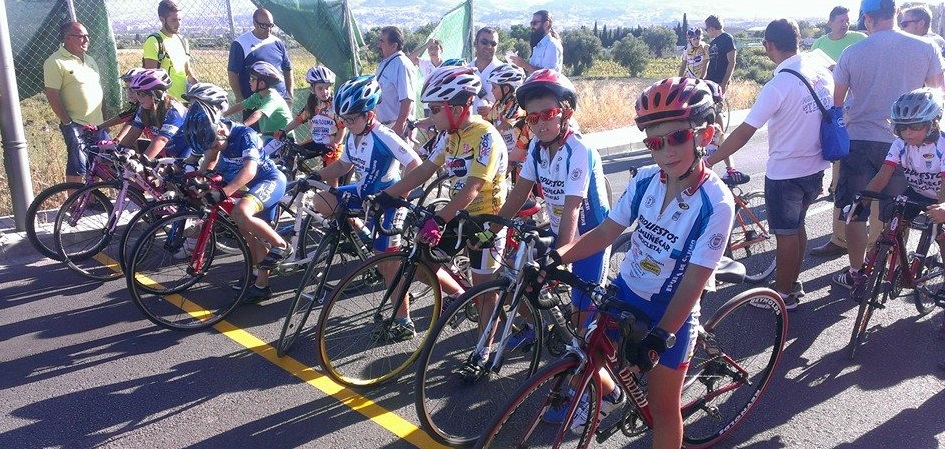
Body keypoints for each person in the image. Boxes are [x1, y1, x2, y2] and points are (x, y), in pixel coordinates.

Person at [535, 76, 734, 446]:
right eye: (655, 142)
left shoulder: (717, 203)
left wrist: (661, 335)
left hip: (669, 311)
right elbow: (606, 233)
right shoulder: (645, 180)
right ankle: (611, 398)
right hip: (625, 291)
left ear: (704, 136)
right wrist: (556, 258)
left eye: (676, 138)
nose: (666, 151)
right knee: (586, 353)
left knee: (662, 408)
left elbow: (694, 281)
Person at [375, 66, 507, 353]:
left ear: (459, 108)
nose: (431, 116)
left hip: (486, 221)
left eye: (435, 109)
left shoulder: (486, 136)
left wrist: (438, 218)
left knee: (484, 291)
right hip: (457, 214)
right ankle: (460, 294)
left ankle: (483, 352)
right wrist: (385, 196)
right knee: (422, 265)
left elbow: (473, 187)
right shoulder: (450, 137)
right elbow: (424, 171)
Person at [707, 19, 833, 310]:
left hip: (786, 172)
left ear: (768, 46)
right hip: (816, 167)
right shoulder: (819, 71)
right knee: (797, 227)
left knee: (786, 235)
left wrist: (711, 159)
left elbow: (744, 131)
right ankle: (792, 283)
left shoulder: (779, 84)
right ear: (798, 40)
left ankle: (785, 294)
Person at [489, 69, 609, 354]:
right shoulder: (536, 148)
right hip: (558, 230)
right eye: (532, 117)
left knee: (583, 321)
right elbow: (519, 192)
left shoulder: (579, 149)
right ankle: (538, 327)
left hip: (590, 237)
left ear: (565, 112)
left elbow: (572, 208)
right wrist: (490, 230)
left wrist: (559, 258)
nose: (540, 123)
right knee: (518, 274)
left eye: (547, 114)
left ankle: (591, 372)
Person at [831, 0, 944, 290]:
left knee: (855, 209)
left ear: (867, 18)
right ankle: (893, 268)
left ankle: (857, 272)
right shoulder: (925, 47)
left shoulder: (852, 51)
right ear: (895, 14)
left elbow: (838, 102)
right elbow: (935, 95)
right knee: (897, 211)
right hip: (906, 141)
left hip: (860, 139)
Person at [309, 75, 422, 338]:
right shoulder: (352, 135)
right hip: (363, 193)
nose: (346, 124)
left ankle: (404, 321)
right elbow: (342, 166)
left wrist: (399, 194)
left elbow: (415, 164)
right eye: (344, 119)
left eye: (351, 119)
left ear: (369, 114)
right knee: (322, 199)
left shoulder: (384, 136)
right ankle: (363, 235)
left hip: (389, 199)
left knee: (387, 263)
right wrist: (314, 178)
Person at [181, 83, 290, 303]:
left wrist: (224, 193)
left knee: (241, 212)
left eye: (214, 144)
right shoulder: (214, 135)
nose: (213, 147)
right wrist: (197, 181)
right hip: (249, 187)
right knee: (247, 234)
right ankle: (261, 285)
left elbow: (250, 171)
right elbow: (207, 163)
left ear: (221, 130)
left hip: (268, 180)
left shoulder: (244, 134)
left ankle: (282, 246)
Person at [809, 5, 868, 258]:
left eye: (847, 20)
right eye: (841, 20)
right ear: (830, 22)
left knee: (867, 189)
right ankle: (840, 239)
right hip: (835, 116)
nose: (845, 24)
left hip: (858, 114)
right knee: (840, 180)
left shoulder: (859, 40)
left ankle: (872, 250)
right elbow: (812, 76)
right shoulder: (819, 44)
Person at [43, 21, 105, 187]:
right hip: (76, 123)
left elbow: (98, 89)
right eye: (81, 36)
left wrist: (104, 120)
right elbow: (52, 95)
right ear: (67, 38)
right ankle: (74, 204)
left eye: (87, 36)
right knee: (78, 164)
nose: (86, 40)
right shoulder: (55, 62)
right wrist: (68, 122)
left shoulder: (90, 60)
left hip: (98, 123)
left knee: (99, 161)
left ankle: (92, 200)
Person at [274, 66, 345, 182]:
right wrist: (284, 130)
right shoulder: (311, 106)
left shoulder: (334, 106)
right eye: (320, 88)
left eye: (327, 88)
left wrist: (335, 143)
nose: (325, 92)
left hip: (332, 143)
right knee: (292, 151)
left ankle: (332, 193)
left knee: (332, 177)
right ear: (312, 89)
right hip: (316, 142)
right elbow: (297, 120)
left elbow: (342, 129)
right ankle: (292, 183)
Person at [227, 8, 294, 119]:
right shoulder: (240, 43)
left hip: (278, 102)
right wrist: (239, 96)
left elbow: (287, 69)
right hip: (254, 103)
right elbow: (232, 72)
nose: (268, 29)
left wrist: (289, 94)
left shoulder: (277, 42)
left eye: (271, 26)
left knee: (281, 134)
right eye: (264, 25)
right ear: (255, 23)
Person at [118, 69, 190, 159]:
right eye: (136, 93)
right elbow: (133, 132)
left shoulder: (174, 111)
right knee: (127, 151)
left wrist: (142, 162)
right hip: (167, 149)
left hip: (186, 150)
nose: (138, 98)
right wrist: (118, 150)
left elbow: (161, 140)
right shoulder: (144, 108)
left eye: (142, 94)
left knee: (177, 170)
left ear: (156, 94)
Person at [142, 0, 198, 101]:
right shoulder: (154, 41)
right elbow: (150, 77)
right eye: (174, 20)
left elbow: (187, 71)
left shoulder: (182, 40)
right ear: (162, 19)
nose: (178, 24)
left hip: (184, 102)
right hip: (166, 105)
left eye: (180, 19)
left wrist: (199, 89)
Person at [222, 61, 293, 140]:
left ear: (262, 83)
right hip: (271, 139)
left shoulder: (272, 98)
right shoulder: (258, 95)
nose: (249, 81)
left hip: (285, 139)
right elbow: (241, 105)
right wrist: (221, 115)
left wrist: (241, 126)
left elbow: (257, 114)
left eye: (252, 79)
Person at [375, 26, 417, 138]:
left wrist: (398, 127)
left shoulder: (402, 64)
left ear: (394, 46)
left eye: (382, 42)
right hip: (382, 126)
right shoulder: (386, 62)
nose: (378, 45)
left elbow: (407, 99)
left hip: (395, 127)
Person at [485, 63, 531, 163]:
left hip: (520, 157)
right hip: (505, 151)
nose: (491, 91)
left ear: (506, 89)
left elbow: (501, 129)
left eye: (494, 87)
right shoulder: (499, 103)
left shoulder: (516, 104)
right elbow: (487, 123)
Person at [471, 27, 502, 117]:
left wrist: (493, 109)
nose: (489, 46)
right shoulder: (466, 70)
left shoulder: (503, 71)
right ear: (475, 43)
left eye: (493, 44)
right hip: (469, 128)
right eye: (484, 42)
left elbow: (514, 106)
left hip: (494, 128)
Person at [704, 15, 736, 94]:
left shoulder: (727, 39)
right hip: (709, 81)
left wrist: (724, 83)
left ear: (711, 28)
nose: (706, 32)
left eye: (706, 29)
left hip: (720, 81)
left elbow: (732, 62)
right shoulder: (713, 42)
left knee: (718, 105)